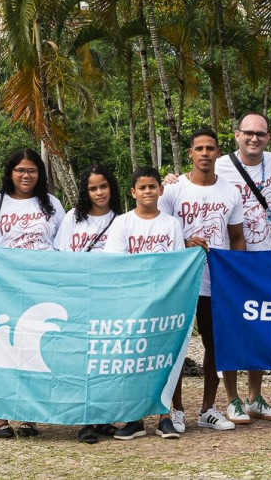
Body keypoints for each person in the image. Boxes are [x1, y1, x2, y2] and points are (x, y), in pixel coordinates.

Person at [159, 128, 246, 432]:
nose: (205, 153)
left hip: (216, 280)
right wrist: (183, 244)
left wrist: (238, 274)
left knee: (214, 345)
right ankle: (177, 409)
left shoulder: (230, 191)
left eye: (211, 148)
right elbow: (159, 233)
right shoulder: (173, 190)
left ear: (218, 153)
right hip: (181, 280)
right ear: (190, 153)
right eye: (199, 148)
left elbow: (236, 237)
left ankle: (208, 409)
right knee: (177, 345)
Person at [0, 148, 66, 438]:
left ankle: (29, 415)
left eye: (32, 170)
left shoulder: (52, 203)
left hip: (40, 287)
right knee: (3, 348)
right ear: (10, 173)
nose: (26, 175)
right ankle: (0, 417)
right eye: (20, 170)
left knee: (32, 349)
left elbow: (64, 245)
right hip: (2, 287)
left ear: (40, 174)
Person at [213, 112, 271, 423]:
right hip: (230, 260)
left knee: (260, 325)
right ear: (236, 134)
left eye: (260, 133)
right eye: (248, 133)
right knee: (232, 328)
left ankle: (255, 396)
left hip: (264, 256)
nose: (253, 138)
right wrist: (171, 180)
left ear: (268, 137)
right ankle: (232, 399)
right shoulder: (219, 165)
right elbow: (194, 183)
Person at [102, 166, 186, 440]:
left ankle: (165, 416)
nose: (148, 191)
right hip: (132, 302)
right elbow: (116, 264)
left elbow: (176, 265)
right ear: (133, 192)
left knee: (165, 357)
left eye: (153, 186)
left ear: (161, 189)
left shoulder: (171, 224)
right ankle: (134, 418)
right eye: (142, 187)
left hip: (164, 302)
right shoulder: (123, 223)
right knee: (133, 360)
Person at [54, 164, 123, 443]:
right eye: (92, 188)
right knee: (80, 359)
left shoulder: (122, 219)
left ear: (112, 188)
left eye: (103, 186)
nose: (99, 192)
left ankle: (102, 417)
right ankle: (83, 421)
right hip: (78, 297)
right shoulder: (73, 218)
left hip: (109, 298)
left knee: (105, 359)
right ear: (85, 191)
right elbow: (59, 256)